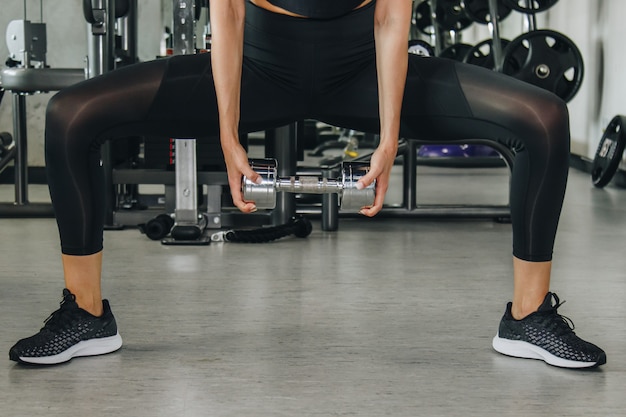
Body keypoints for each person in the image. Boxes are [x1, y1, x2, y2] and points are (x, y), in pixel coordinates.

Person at [9, 0, 605, 368]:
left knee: (543, 119)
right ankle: (86, 315)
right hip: (260, 66)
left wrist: (389, 137)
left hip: (362, 68)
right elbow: (230, 12)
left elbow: (393, 15)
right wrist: (228, 131)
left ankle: (528, 319)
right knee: (71, 116)